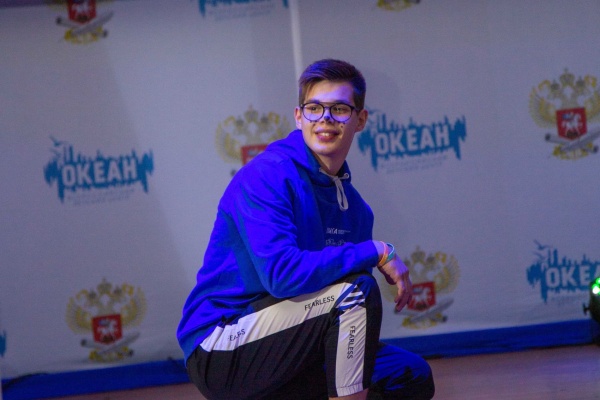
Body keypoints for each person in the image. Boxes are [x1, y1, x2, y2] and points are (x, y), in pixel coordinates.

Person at [177, 59, 435, 400]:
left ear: (360, 120)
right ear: (299, 117)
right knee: (355, 292)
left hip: (293, 338)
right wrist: (376, 250)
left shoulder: (356, 211)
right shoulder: (268, 175)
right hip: (222, 346)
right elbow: (282, 276)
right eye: (314, 108)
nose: (325, 118)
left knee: (409, 374)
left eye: (339, 109)